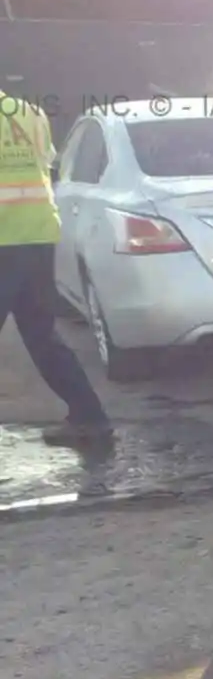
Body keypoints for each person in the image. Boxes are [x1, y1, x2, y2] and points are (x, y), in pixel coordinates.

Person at [0, 93, 113, 446]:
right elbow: (45, 164)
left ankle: (90, 419)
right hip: (36, 235)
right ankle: (90, 418)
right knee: (41, 335)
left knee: (42, 335)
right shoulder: (28, 112)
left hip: (4, 238)